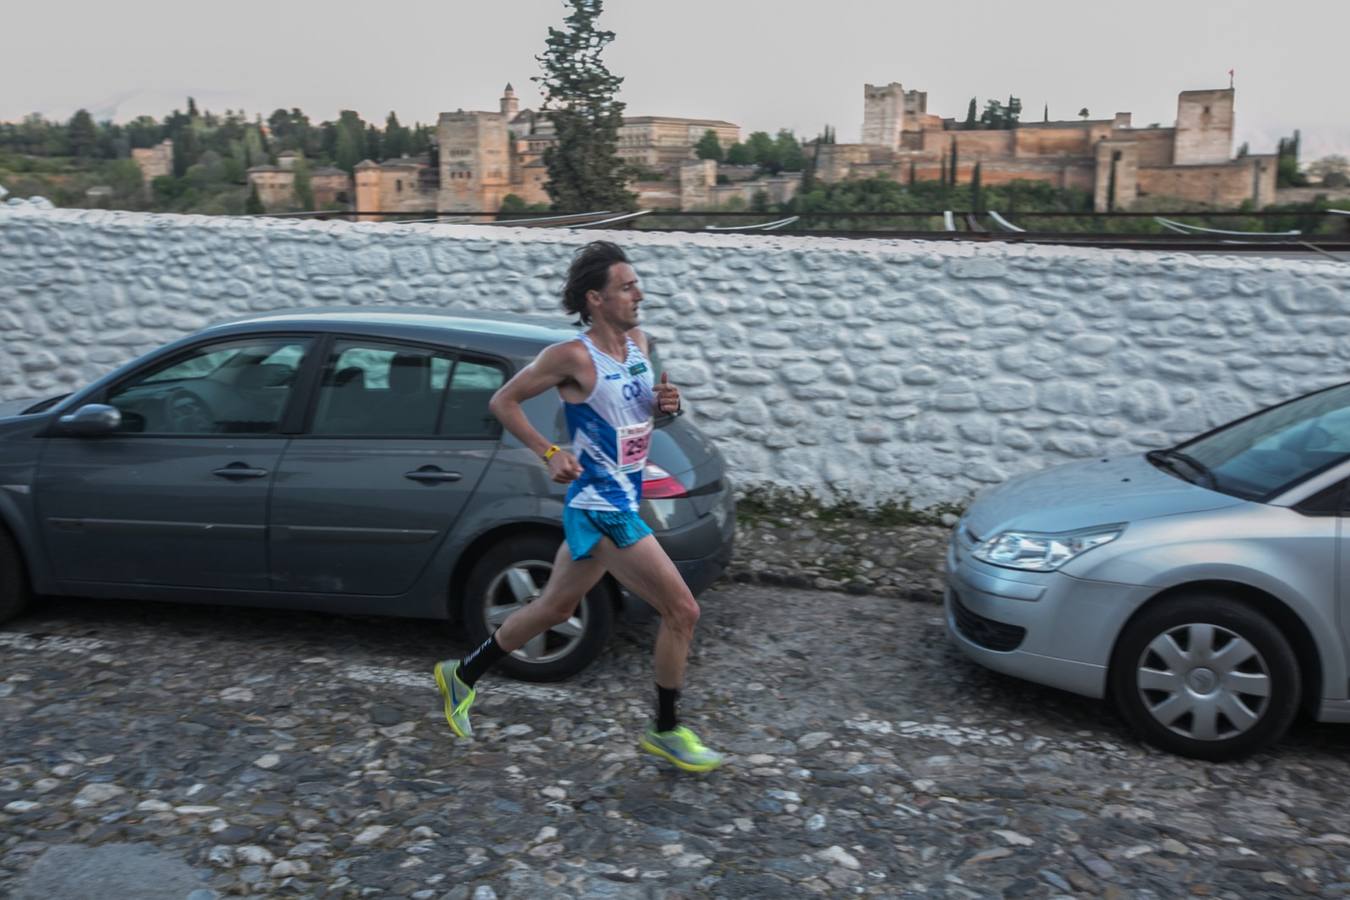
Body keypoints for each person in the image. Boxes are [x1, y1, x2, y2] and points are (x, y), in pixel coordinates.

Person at [433, 240, 723, 773]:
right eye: (626, 286)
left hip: (619, 497)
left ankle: (462, 674)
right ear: (595, 299)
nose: (639, 293)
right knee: (683, 611)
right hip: (600, 505)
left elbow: (640, 420)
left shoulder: (639, 345)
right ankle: (665, 730)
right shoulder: (572, 356)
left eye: (637, 284)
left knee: (555, 609)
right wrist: (549, 452)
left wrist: (666, 407)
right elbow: (503, 402)